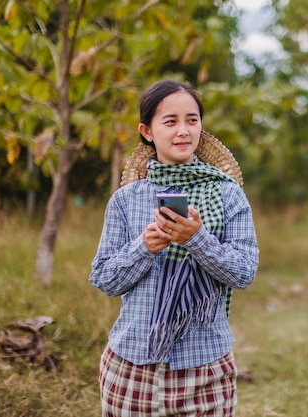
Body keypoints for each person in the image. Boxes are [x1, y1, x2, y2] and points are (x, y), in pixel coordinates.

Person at [89, 79, 259, 416]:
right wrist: (144, 247)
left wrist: (196, 239)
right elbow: (104, 278)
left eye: (192, 119)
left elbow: (244, 272)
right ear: (147, 131)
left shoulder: (227, 194)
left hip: (205, 367)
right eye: (170, 121)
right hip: (132, 366)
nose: (183, 130)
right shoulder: (126, 200)